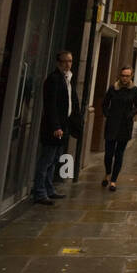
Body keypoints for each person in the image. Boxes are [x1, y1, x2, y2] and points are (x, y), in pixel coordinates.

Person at [32, 50, 82, 204]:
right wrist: (56, 126)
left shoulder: (67, 79)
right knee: (46, 160)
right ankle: (39, 192)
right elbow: (50, 106)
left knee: (54, 160)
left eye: (70, 61)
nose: (68, 64)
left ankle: (49, 189)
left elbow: (71, 102)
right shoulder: (53, 79)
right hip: (54, 128)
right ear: (58, 63)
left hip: (64, 126)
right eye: (65, 61)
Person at [101, 66, 137, 191]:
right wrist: (108, 114)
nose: (125, 78)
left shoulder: (134, 90)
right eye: (123, 75)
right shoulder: (113, 88)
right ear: (120, 75)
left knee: (119, 154)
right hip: (112, 124)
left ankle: (113, 180)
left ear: (131, 76)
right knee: (108, 153)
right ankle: (107, 173)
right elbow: (104, 103)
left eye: (127, 76)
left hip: (125, 125)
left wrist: (130, 115)